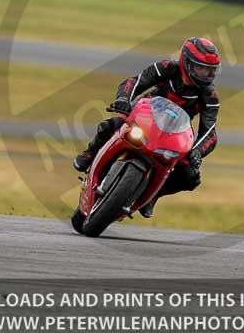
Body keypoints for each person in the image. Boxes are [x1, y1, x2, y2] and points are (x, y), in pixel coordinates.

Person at [73, 37, 221, 218]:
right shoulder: (167, 67)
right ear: (186, 63)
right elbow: (134, 81)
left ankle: (153, 196)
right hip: (144, 115)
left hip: (173, 133)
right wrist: (123, 100)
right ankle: (89, 153)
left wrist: (197, 151)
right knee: (110, 125)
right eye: (201, 68)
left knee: (190, 177)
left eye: (210, 71)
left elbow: (210, 132)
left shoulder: (210, 96)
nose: (206, 74)